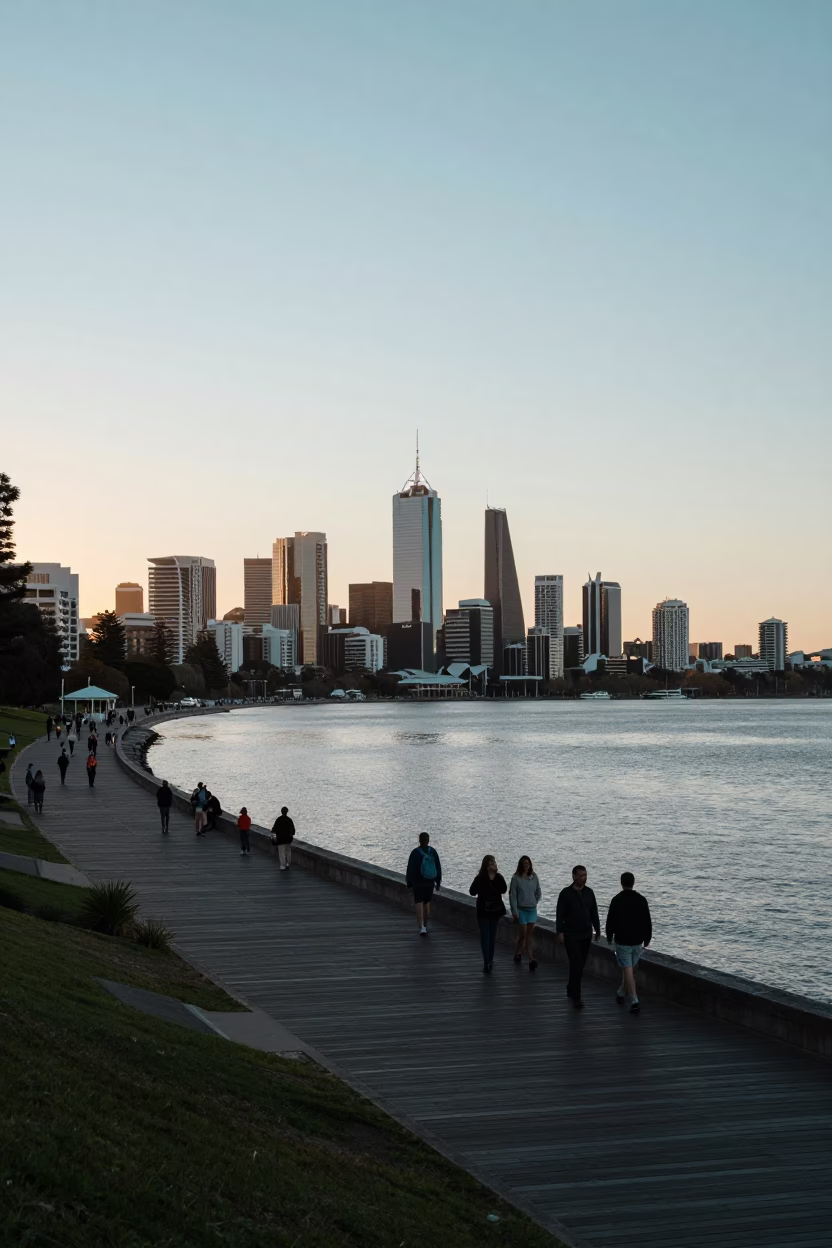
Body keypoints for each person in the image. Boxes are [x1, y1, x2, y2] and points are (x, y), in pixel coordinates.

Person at [606, 872, 653, 1014]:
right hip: (637, 940)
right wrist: (647, 937)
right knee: (630, 970)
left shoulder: (616, 900)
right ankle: (622, 993)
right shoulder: (641, 900)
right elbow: (647, 920)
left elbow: (610, 920)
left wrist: (609, 935)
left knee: (628, 970)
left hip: (623, 940)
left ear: (621, 883)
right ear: (633, 883)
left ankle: (633, 1000)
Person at [556, 865, 601, 1008]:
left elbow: (594, 911)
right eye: (581, 876)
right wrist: (560, 932)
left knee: (580, 966)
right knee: (576, 964)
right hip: (571, 934)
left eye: (585, 875)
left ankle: (571, 988)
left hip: (586, 934)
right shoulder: (565, 893)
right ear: (573, 877)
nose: (583, 878)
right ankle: (577, 996)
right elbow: (559, 914)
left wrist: (598, 929)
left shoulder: (589, 893)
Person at [469, 854, 507, 973]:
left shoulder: (498, 877)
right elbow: (472, 891)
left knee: (491, 936)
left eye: (494, 862)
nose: (494, 865)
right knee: (486, 936)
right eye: (491, 863)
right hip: (484, 910)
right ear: (486, 866)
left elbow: (504, 889)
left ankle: (489, 960)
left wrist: (497, 876)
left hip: (493, 911)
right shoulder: (480, 878)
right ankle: (487, 961)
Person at [405, 832, 442, 935]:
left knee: (419, 903)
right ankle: (425, 925)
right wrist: (438, 882)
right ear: (428, 840)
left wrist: (409, 883)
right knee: (427, 903)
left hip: (418, 882)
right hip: (430, 882)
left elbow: (410, 869)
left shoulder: (415, 853)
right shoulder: (433, 852)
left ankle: (421, 927)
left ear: (419, 840)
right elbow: (438, 867)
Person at [509, 855, 542, 970]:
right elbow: (512, 896)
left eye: (527, 863)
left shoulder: (534, 877)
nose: (526, 865)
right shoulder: (516, 878)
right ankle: (518, 953)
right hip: (521, 910)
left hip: (532, 910)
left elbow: (538, 892)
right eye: (524, 863)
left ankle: (531, 958)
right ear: (520, 865)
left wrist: (534, 901)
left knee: (529, 936)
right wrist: (514, 910)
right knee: (523, 935)